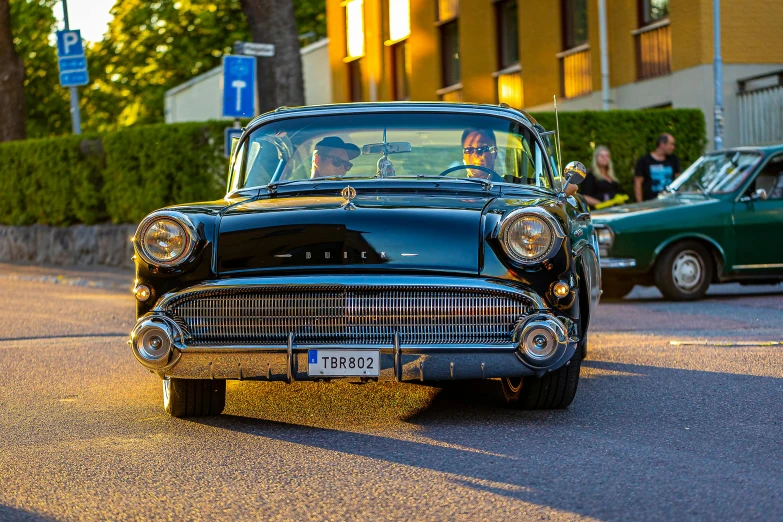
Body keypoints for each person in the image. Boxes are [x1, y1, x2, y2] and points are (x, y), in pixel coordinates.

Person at [634, 133, 680, 202]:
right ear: (662, 144)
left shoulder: (673, 160)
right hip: (651, 202)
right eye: (671, 144)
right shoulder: (645, 161)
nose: (673, 147)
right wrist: (640, 204)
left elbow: (679, 179)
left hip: (671, 201)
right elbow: (638, 183)